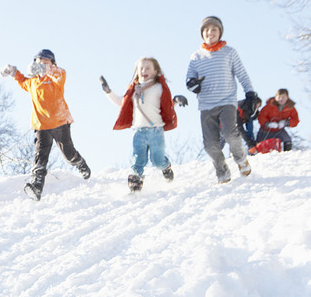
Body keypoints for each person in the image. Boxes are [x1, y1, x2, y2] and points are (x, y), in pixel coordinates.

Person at [0, 49, 91, 201]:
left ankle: (81, 164)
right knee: (40, 157)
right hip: (41, 126)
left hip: (60, 122)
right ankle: (36, 187)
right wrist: (13, 71)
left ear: (52, 64)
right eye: (38, 63)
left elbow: (60, 73)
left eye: (45, 63)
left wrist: (44, 69)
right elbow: (22, 81)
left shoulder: (57, 78)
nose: (40, 65)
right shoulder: (33, 82)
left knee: (68, 154)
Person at [186, 16, 258, 183]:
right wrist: (193, 85)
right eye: (206, 30)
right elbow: (189, 79)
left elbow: (242, 74)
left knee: (229, 133)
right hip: (206, 105)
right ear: (202, 34)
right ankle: (222, 172)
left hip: (227, 101)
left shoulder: (229, 52)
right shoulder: (196, 57)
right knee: (210, 144)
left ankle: (241, 159)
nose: (210, 32)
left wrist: (250, 94)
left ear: (220, 32)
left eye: (214, 29)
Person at [99, 57, 183, 192]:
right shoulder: (133, 90)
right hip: (138, 131)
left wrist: (176, 100)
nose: (144, 71)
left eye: (148, 68)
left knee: (157, 160)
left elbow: (166, 105)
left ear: (155, 71)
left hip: (156, 130)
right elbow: (122, 102)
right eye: (141, 68)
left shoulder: (159, 87)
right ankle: (135, 185)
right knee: (138, 160)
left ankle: (165, 167)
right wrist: (108, 91)